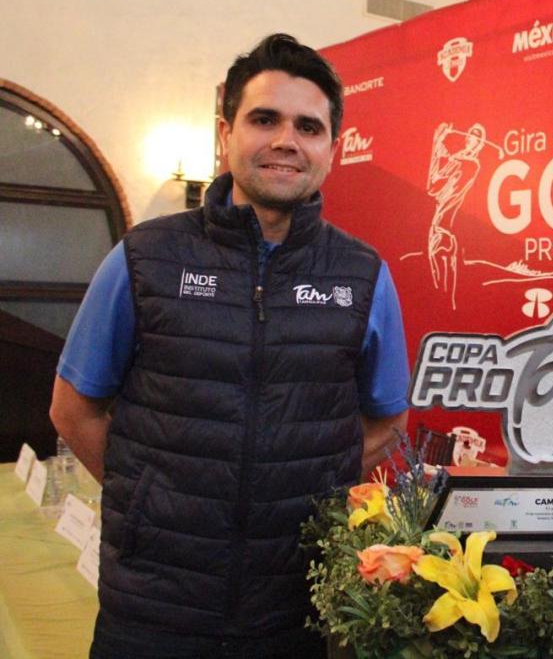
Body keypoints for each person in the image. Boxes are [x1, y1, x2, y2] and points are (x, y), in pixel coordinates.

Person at [49, 33, 410, 659]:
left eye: (308, 126)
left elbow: (387, 422)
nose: (286, 140)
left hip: (296, 610)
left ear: (333, 148)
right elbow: (72, 409)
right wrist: (147, 503)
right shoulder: (145, 257)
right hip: (152, 610)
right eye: (264, 119)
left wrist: (308, 496)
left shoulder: (364, 275)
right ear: (226, 134)